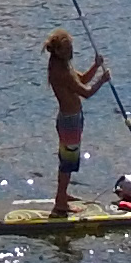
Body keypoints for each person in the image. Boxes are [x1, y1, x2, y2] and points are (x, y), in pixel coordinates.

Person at [43, 32, 110, 218]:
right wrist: (102, 81)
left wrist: (95, 66)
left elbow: (82, 80)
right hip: (69, 121)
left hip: (73, 119)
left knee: (68, 160)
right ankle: (61, 203)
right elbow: (86, 92)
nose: (72, 51)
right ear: (58, 51)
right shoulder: (60, 72)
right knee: (68, 162)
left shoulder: (65, 65)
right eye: (68, 49)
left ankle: (62, 195)